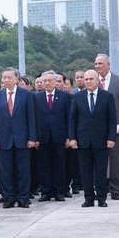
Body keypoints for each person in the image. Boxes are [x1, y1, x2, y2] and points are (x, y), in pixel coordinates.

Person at [0, 67, 37, 209]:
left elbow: (31, 118)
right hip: (4, 140)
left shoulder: (27, 95)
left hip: (22, 139)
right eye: (4, 78)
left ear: (17, 79)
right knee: (5, 171)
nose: (5, 80)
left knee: (23, 170)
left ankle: (23, 197)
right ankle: (9, 197)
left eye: (9, 77)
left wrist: (32, 138)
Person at [68, 70, 116, 208]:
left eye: (91, 79)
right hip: (83, 140)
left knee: (101, 171)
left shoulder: (107, 96)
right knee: (85, 171)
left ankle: (101, 198)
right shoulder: (77, 97)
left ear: (97, 81)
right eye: (86, 79)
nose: (88, 81)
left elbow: (112, 119)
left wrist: (111, 137)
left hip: (102, 140)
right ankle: (88, 198)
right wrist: (72, 138)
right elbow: (73, 119)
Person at [94, 54, 119, 200]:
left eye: (100, 63)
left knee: (114, 160)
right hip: (96, 128)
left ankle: (115, 189)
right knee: (98, 160)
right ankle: (101, 189)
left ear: (108, 65)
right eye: (96, 63)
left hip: (114, 127)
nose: (97, 66)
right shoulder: (93, 81)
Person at [36, 71, 71, 202]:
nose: (48, 83)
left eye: (50, 81)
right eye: (45, 81)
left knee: (59, 166)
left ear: (55, 82)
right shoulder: (37, 97)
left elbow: (69, 118)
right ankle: (45, 192)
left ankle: (59, 192)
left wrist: (69, 137)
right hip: (43, 137)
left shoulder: (64, 97)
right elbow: (35, 119)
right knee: (44, 166)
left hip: (60, 137)